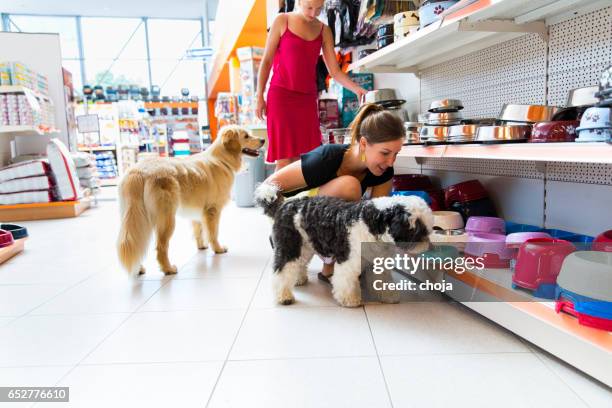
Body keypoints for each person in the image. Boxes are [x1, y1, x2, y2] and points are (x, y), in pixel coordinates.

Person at [263, 103, 406, 281]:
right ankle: (325, 260)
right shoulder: (325, 158)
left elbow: (375, 222)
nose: (391, 162)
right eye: (385, 153)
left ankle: (332, 265)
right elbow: (268, 187)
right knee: (350, 187)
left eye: (396, 154)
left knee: (367, 213)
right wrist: (285, 229)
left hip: (325, 227)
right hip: (295, 221)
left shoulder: (384, 171)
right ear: (363, 143)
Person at [256, 0, 368, 172]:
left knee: (306, 160)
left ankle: (299, 199)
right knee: (285, 160)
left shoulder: (325, 31)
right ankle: (271, 198)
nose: (313, 13)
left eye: (319, 9)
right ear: (299, 1)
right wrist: (259, 97)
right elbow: (266, 61)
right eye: (309, 7)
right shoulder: (282, 20)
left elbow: (335, 72)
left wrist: (357, 89)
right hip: (281, 97)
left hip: (307, 100)